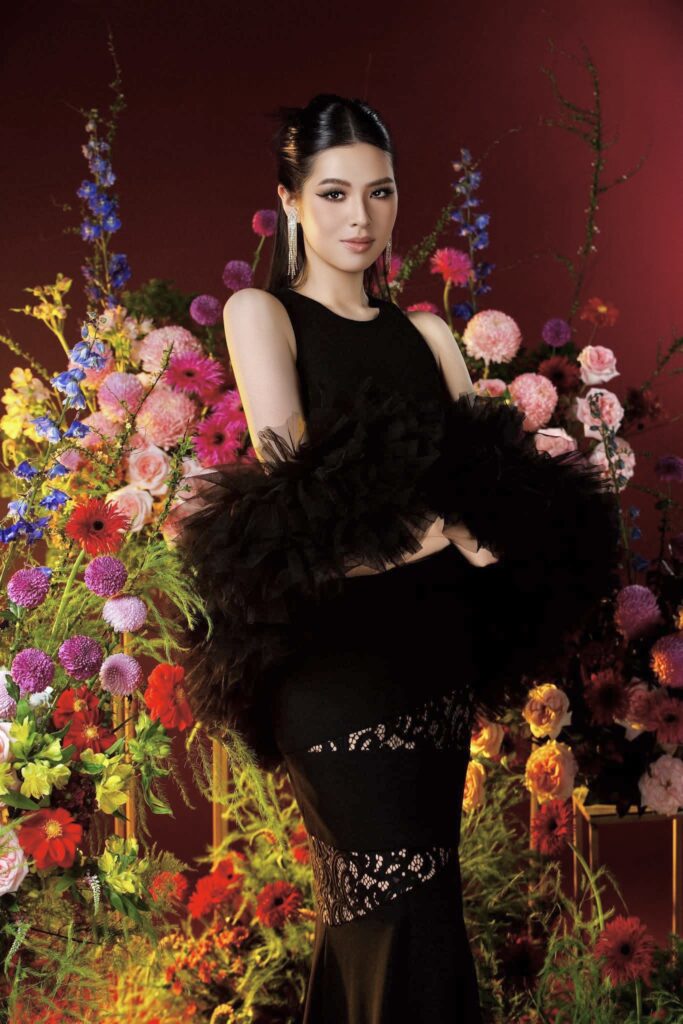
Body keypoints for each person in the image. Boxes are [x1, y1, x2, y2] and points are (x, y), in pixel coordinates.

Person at [171, 94, 621, 1023]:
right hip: (335, 670)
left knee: (413, 911)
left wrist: (486, 525)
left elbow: (492, 488)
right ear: (289, 200)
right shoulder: (263, 313)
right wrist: (444, 531)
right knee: (391, 909)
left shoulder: (425, 334)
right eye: (333, 193)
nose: (359, 217)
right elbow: (295, 511)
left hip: (432, 658)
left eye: (378, 193)